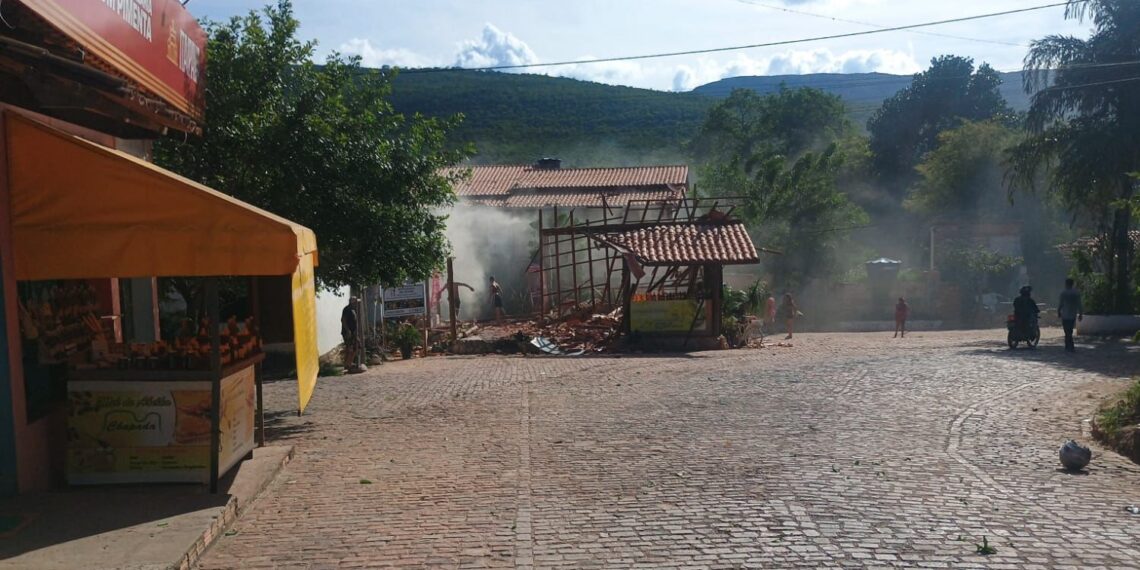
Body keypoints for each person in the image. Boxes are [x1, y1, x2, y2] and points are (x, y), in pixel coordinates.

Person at [1057, 278, 1084, 352]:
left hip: (1065, 315)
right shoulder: (1076, 293)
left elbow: (1061, 304)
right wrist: (1080, 314)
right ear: (1072, 284)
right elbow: (1079, 304)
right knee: (1070, 330)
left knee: (1066, 331)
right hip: (1072, 315)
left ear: (1066, 284)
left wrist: (1058, 311)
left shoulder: (1063, 293)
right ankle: (1070, 345)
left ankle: (1068, 345)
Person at [341, 297, 359, 368]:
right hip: (347, 332)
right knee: (350, 348)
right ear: (351, 302)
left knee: (357, 346)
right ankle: (347, 364)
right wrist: (348, 330)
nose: (356, 303)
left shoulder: (353, 309)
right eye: (355, 301)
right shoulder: (347, 309)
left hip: (353, 332)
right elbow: (343, 320)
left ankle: (349, 363)